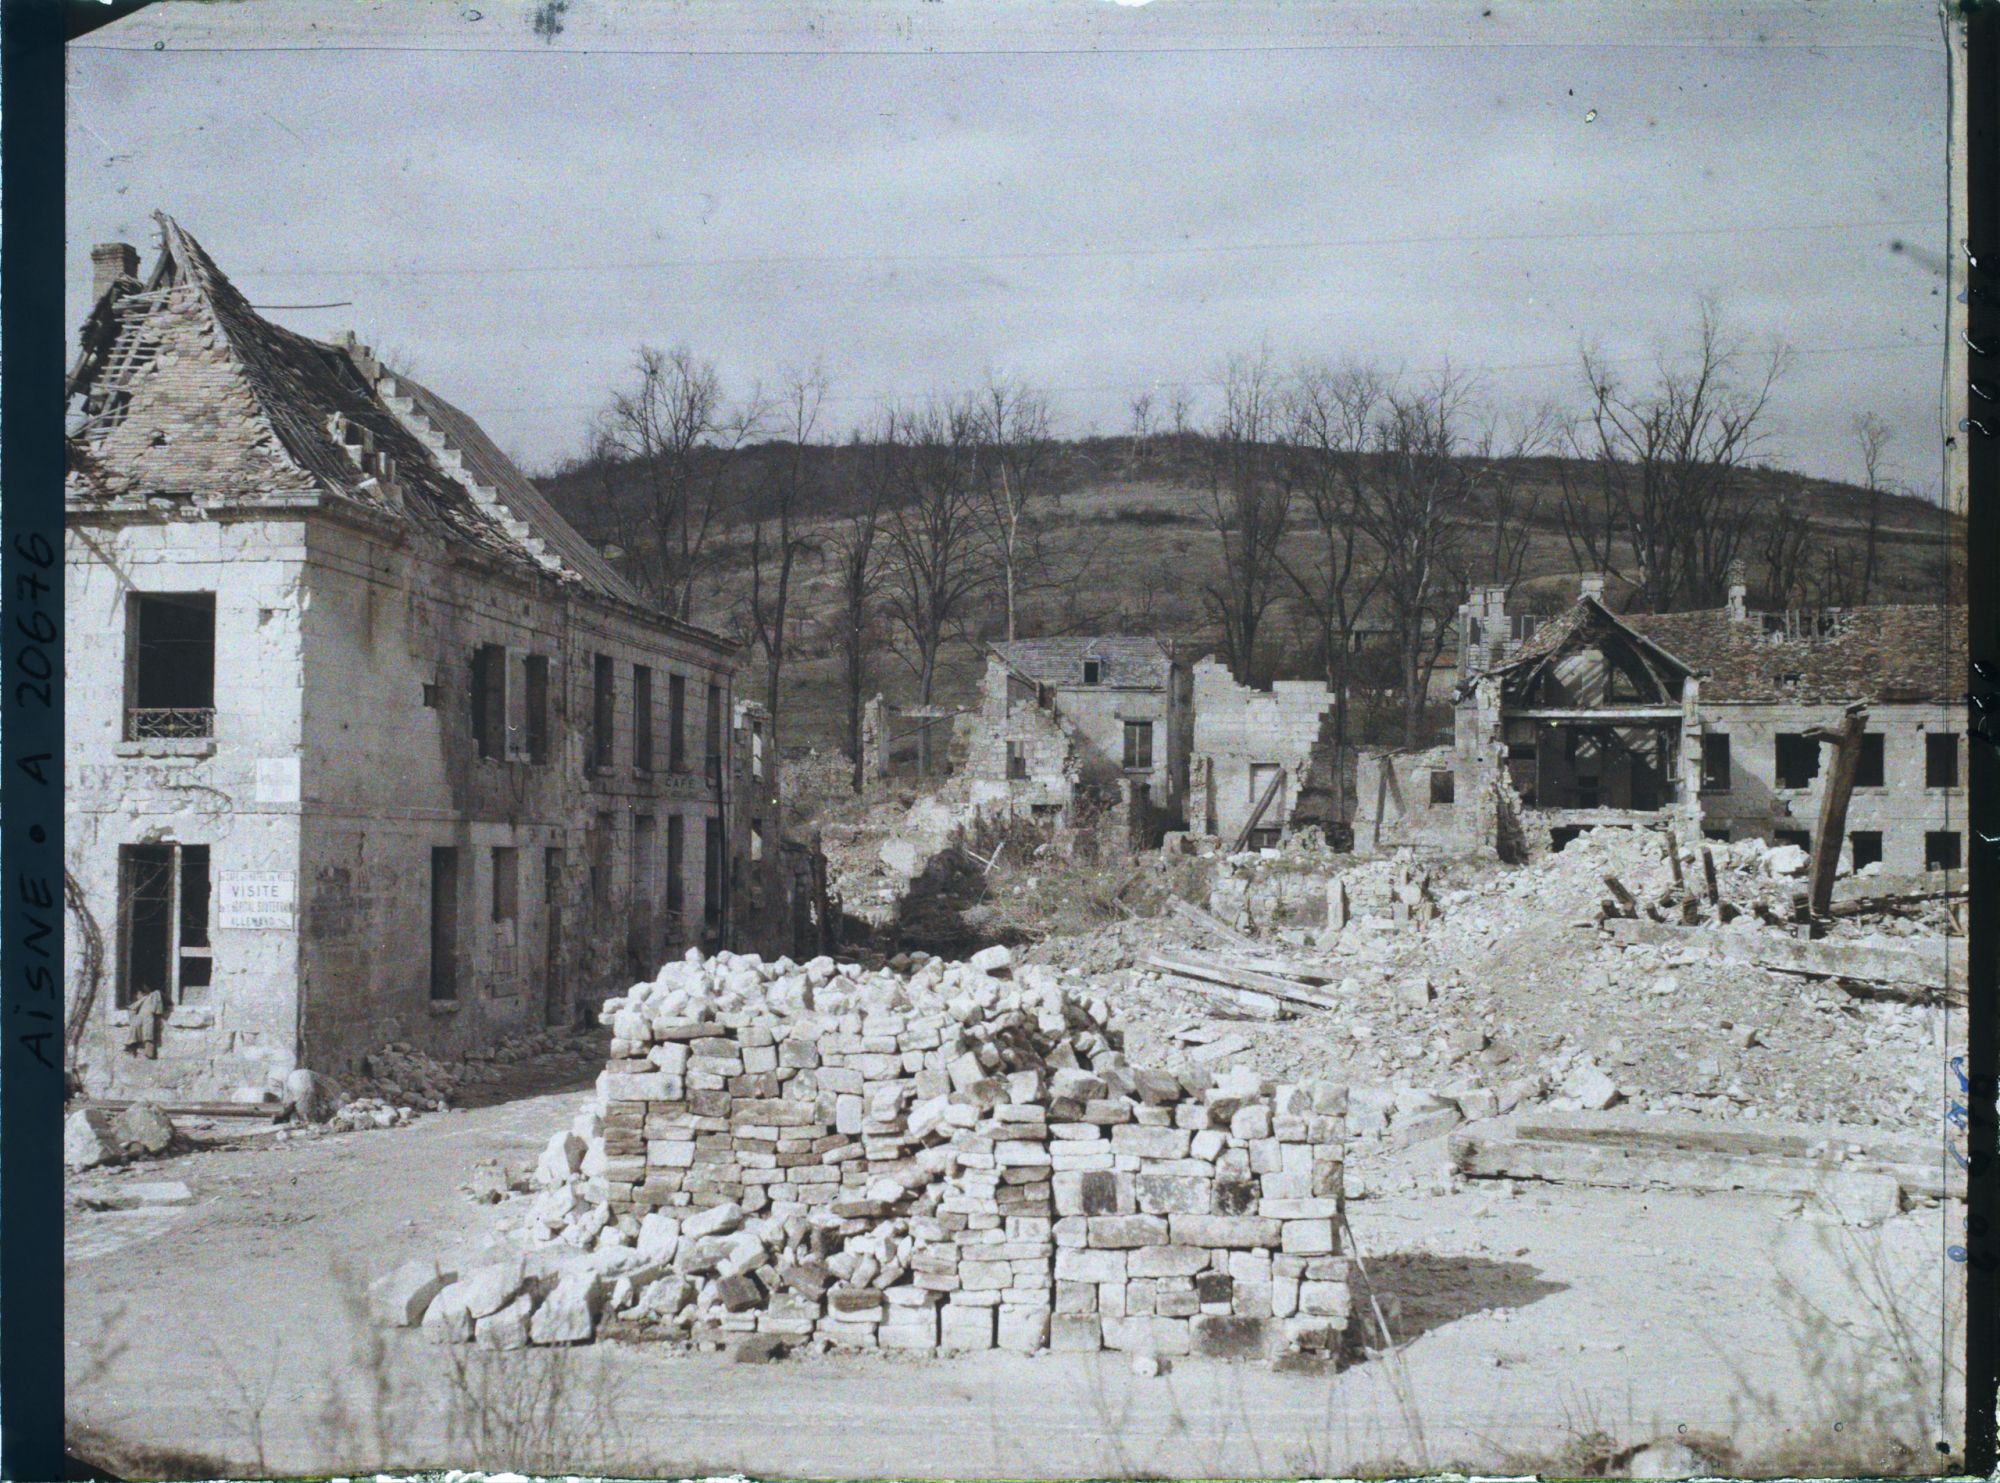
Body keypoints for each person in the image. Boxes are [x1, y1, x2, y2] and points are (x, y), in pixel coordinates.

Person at [123, 988, 164, 1059]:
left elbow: (156, 1010)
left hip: (148, 1019)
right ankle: (134, 1047)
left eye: (138, 994)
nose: (137, 996)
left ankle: (148, 1051)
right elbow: (132, 1008)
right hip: (142, 1019)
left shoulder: (152, 996)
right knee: (140, 1029)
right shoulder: (141, 1003)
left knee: (148, 1034)